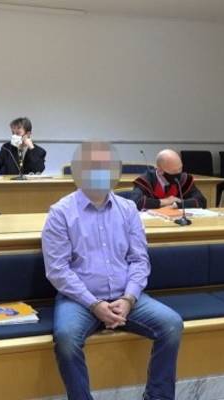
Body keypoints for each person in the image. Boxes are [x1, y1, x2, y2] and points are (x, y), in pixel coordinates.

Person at [42, 141, 183, 400]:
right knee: (66, 339)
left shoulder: (128, 209)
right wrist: (94, 304)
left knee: (172, 324)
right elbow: (58, 270)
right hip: (79, 300)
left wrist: (128, 299)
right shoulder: (60, 213)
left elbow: (139, 260)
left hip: (125, 296)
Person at [131, 149, 207, 210]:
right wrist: (165, 201)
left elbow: (201, 200)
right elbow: (135, 202)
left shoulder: (184, 179)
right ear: (160, 171)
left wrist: (179, 204)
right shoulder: (146, 181)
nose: (178, 174)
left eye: (180, 169)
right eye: (174, 171)